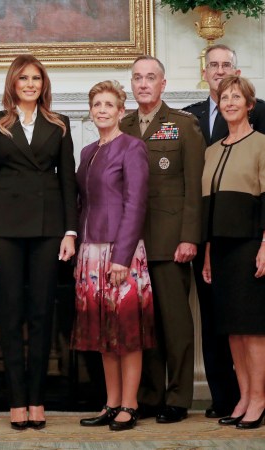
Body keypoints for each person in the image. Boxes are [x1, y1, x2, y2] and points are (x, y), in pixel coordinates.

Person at [0, 54, 77, 430]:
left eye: (36, 78)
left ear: (43, 84)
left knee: (41, 314)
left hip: (49, 229)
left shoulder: (60, 124)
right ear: (13, 84)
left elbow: (68, 180)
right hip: (3, 229)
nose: (31, 84)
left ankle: (37, 400)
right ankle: (16, 401)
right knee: (10, 313)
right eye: (24, 79)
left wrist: (70, 231)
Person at [120, 56, 205, 423]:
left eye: (150, 78)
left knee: (175, 324)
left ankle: (178, 397)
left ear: (163, 83)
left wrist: (189, 237)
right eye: (137, 78)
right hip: (131, 245)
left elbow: (194, 189)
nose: (143, 84)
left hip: (171, 242)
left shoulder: (184, 125)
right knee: (144, 326)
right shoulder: (121, 125)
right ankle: (150, 395)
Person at [184, 44, 265, 419]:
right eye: (226, 97)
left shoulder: (262, 143)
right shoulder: (213, 149)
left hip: (251, 246)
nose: (230, 102)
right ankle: (243, 398)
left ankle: (259, 399)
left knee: (253, 329)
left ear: (250, 105)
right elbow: (210, 208)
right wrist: (209, 253)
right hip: (221, 251)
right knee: (232, 328)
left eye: (238, 97)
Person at [73, 80, 154, 431]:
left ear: (122, 111)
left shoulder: (132, 147)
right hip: (91, 253)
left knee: (126, 331)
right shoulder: (88, 151)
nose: (102, 110)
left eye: (109, 104)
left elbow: (136, 204)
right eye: (97, 105)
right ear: (91, 112)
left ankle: (130, 404)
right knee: (104, 333)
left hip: (123, 253)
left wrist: (121, 257)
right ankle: (111, 402)